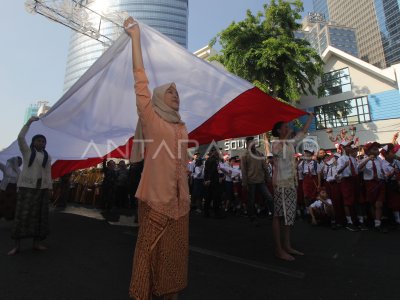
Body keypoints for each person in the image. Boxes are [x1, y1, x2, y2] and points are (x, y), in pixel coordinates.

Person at [125, 17, 189, 300]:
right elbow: (140, 79)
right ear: (159, 98)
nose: (175, 95)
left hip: (181, 205)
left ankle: (170, 295)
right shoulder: (151, 119)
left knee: (174, 260)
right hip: (155, 201)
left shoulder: (182, 127)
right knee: (147, 256)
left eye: (177, 92)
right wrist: (135, 37)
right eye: (170, 92)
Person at [271, 113, 314, 261]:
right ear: (278, 131)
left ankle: (287, 245)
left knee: (288, 215)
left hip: (291, 183)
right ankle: (279, 249)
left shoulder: (290, 143)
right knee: (278, 215)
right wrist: (286, 137)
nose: (288, 128)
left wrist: (310, 117)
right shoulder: (275, 144)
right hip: (281, 183)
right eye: (285, 127)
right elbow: (279, 154)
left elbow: (303, 132)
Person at [8, 116, 52, 255]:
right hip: (27, 189)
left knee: (39, 217)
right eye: (39, 140)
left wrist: (49, 187)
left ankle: (36, 244)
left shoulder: (47, 156)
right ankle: (17, 246)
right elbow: (21, 137)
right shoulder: (27, 152)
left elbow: (48, 173)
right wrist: (29, 123)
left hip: (42, 189)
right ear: (33, 142)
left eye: (43, 141)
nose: (41, 143)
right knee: (22, 215)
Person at [240, 136, 273, 226]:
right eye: (250, 143)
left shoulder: (260, 154)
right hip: (251, 182)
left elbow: (265, 168)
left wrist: (268, 178)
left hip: (261, 181)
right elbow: (243, 171)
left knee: (269, 197)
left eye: (253, 143)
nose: (253, 144)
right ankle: (252, 217)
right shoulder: (244, 156)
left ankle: (273, 214)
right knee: (251, 201)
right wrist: (244, 183)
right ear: (247, 145)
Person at [358, 141, 387, 232]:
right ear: (369, 151)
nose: (377, 151)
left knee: (379, 204)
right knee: (372, 204)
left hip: (380, 183)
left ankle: (378, 224)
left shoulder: (380, 160)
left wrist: (385, 175)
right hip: (370, 184)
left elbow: (384, 169)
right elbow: (359, 168)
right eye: (375, 149)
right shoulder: (364, 159)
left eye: (377, 149)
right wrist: (368, 159)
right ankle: (375, 221)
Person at [337, 141, 359, 232]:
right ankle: (349, 222)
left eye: (350, 146)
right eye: (348, 146)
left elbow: (356, 170)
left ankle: (355, 220)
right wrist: (344, 166)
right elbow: (338, 171)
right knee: (347, 201)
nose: (350, 148)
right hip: (345, 181)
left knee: (353, 201)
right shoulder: (341, 159)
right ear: (344, 148)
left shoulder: (353, 158)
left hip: (353, 180)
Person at [381, 144, 400, 227]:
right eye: (392, 152)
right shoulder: (383, 164)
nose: (394, 153)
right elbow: (384, 177)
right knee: (394, 203)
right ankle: (396, 220)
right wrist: (392, 173)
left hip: (398, 183)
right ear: (386, 154)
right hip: (390, 184)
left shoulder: (397, 161)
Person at [204, 147, 224, 218]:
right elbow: (210, 171)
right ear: (214, 152)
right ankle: (216, 213)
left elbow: (206, 171)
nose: (219, 153)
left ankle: (206, 213)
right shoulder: (213, 160)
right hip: (213, 182)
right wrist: (208, 179)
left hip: (211, 181)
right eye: (218, 151)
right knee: (215, 198)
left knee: (209, 198)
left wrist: (206, 180)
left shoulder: (210, 160)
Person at [0, 156, 22, 220]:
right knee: (4, 202)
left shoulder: (18, 171)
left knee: (12, 203)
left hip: (13, 189)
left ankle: (10, 216)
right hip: (6, 188)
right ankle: (3, 215)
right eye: (18, 161)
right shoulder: (6, 168)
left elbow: (19, 181)